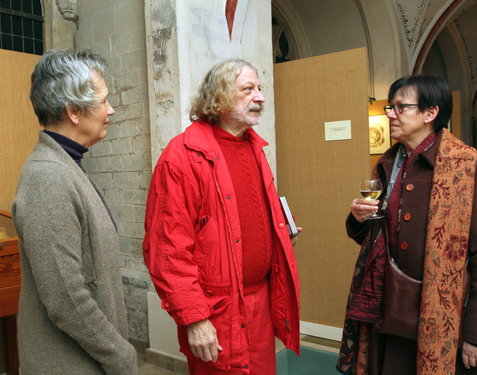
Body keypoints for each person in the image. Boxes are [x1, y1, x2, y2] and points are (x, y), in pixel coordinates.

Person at [143, 58, 301, 375]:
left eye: (260, 88)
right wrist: (195, 318)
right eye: (248, 89)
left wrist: (277, 234)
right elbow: (167, 249)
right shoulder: (183, 155)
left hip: (260, 302)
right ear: (219, 96)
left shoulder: (254, 148)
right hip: (216, 310)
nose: (260, 97)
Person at [337, 75, 477, 375]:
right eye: (391, 106)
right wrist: (359, 219)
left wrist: (474, 335)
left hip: (442, 318)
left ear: (430, 113)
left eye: (401, 107)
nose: (390, 113)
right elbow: (373, 236)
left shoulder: (466, 166)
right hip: (387, 310)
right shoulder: (387, 163)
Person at [12, 49, 138, 375]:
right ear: (73, 111)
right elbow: (66, 299)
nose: (110, 110)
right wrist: (121, 356)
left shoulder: (66, 165)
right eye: (103, 101)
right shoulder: (48, 177)